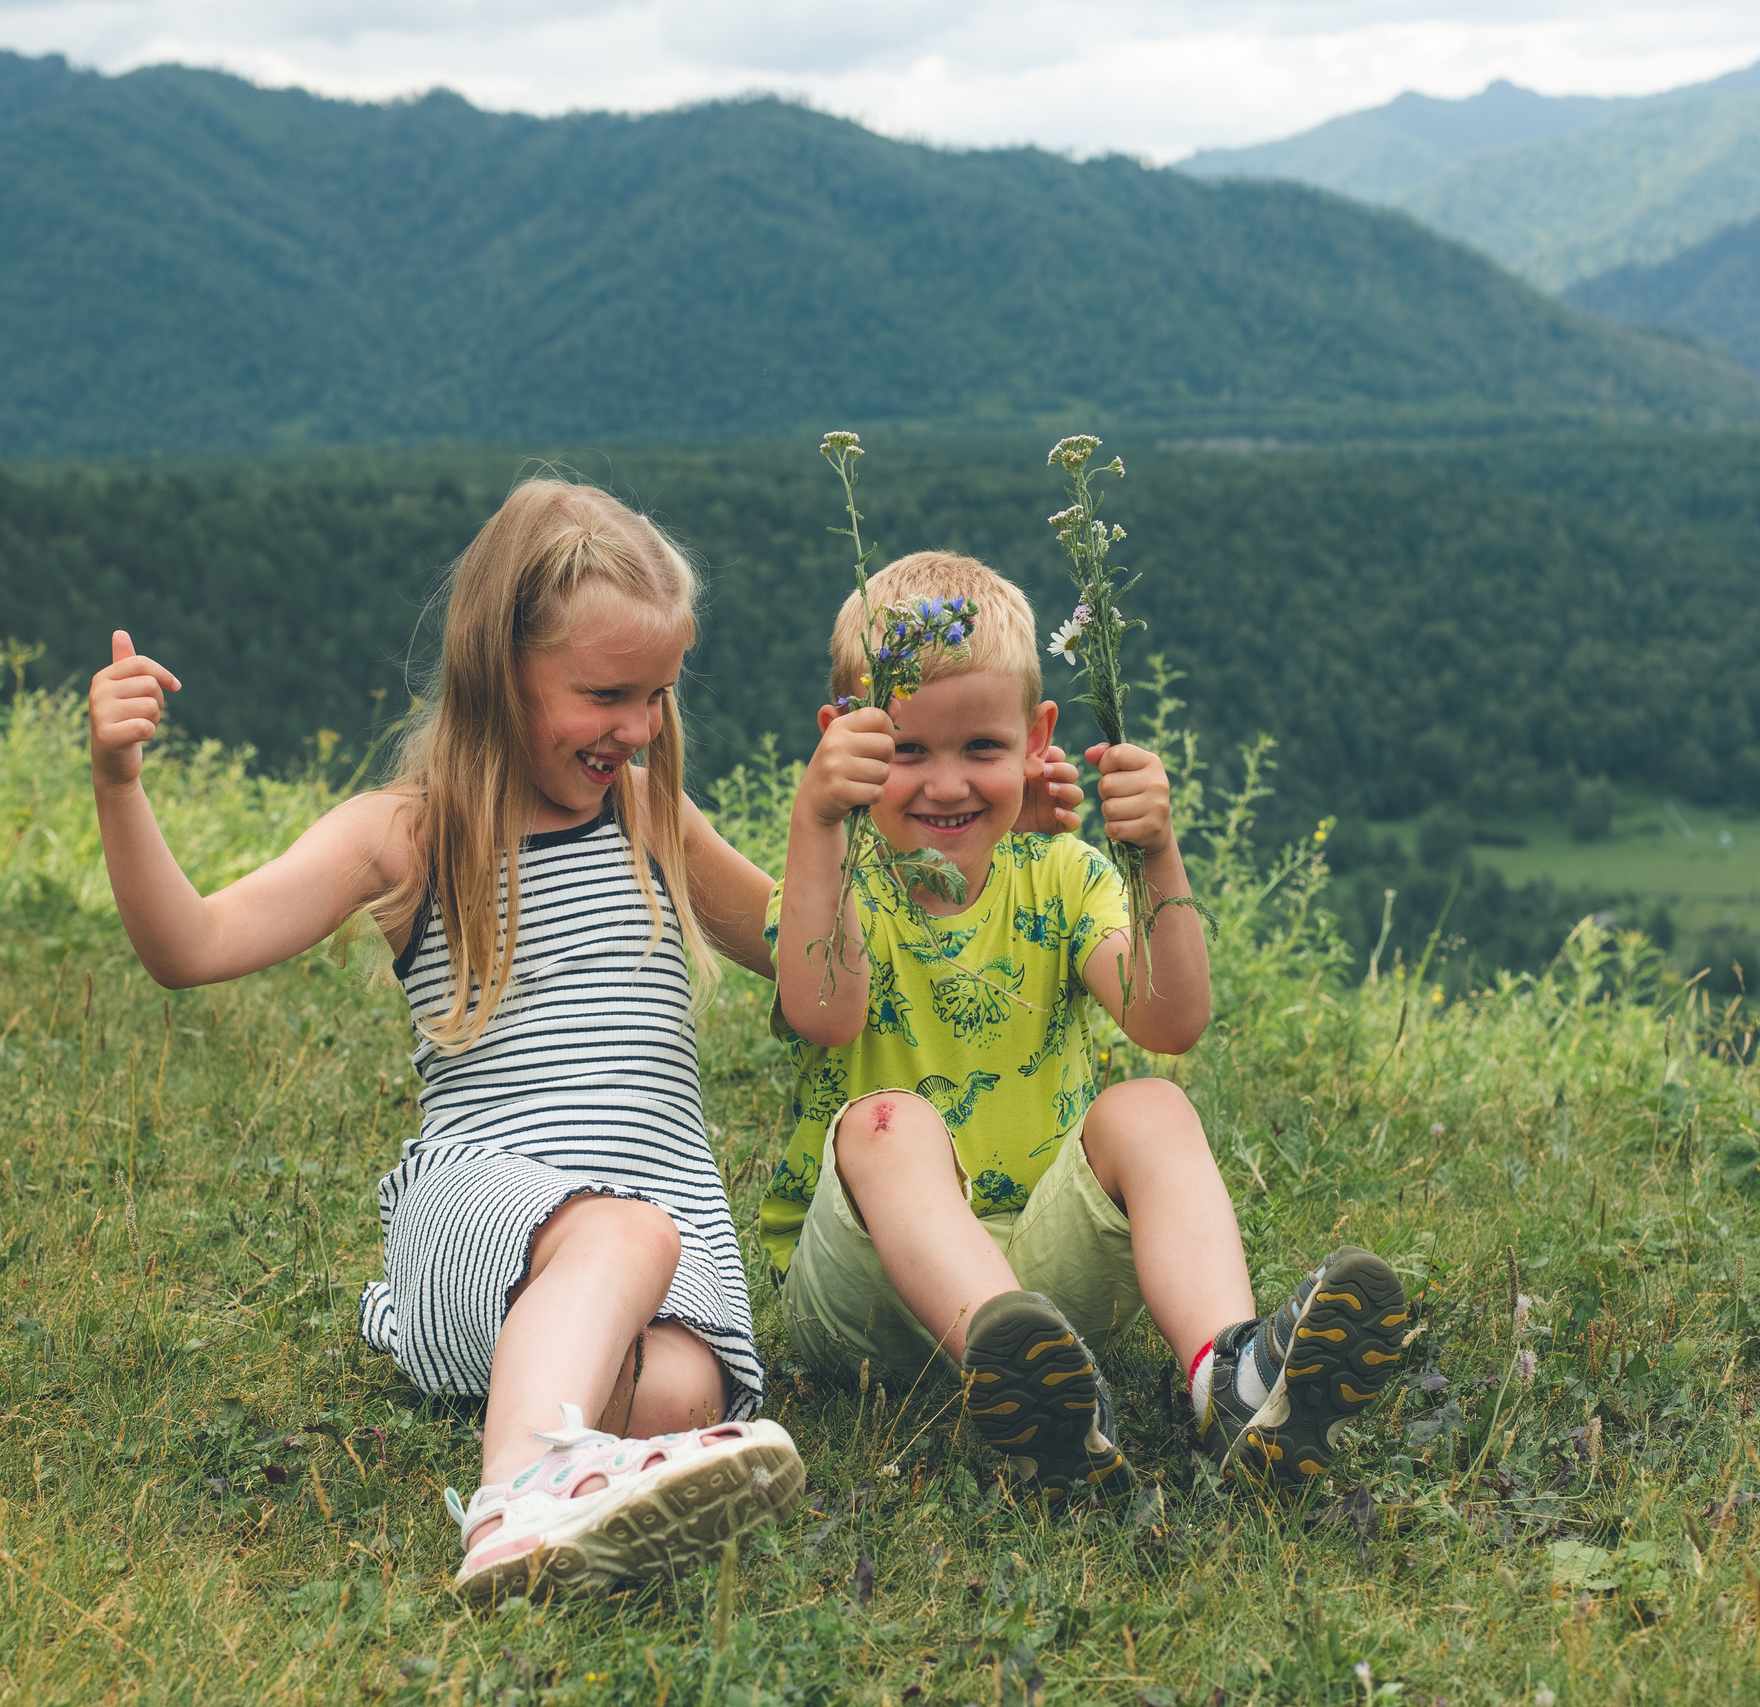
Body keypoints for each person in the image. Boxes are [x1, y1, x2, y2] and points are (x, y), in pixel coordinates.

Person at [88, 477, 806, 1599]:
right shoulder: (411, 833)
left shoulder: (654, 819)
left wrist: (877, 828)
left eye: (658, 694)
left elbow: (811, 963)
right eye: (606, 694)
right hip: (483, 1213)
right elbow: (193, 943)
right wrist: (118, 781)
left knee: (677, 1395)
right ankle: (515, 1496)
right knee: (621, 1236)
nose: (637, 728)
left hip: (665, 1232)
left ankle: (573, 1455)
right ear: (499, 668)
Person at [761, 551, 1411, 1501]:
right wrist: (817, 820)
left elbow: (1170, 1019)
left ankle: (1224, 1378)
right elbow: (825, 1013)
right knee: (886, 1123)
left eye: (981, 748)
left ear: (1037, 740)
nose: (946, 784)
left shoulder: (1060, 876)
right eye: (905, 751)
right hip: (864, 1297)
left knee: (1151, 1106)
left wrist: (1154, 852)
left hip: (1042, 1296)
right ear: (843, 740)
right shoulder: (831, 880)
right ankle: (1027, 1370)